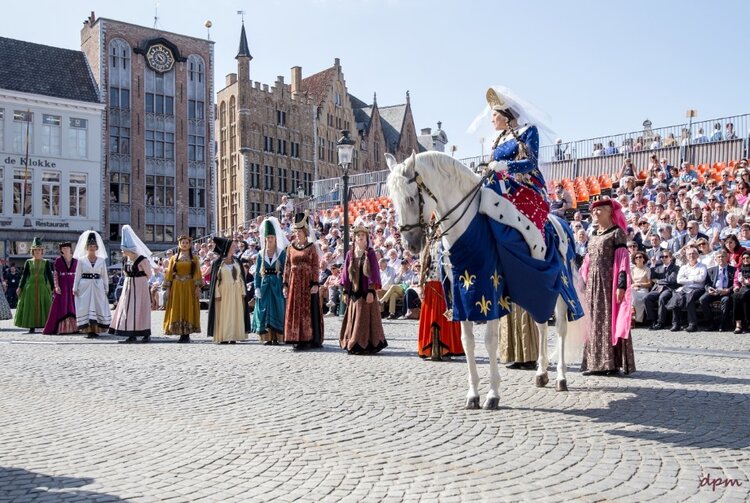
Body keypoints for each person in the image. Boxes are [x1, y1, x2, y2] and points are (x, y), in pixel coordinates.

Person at [476, 87, 581, 326]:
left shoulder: (527, 131)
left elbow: (530, 162)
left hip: (524, 183)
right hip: (499, 182)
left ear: (505, 114)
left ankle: (536, 255)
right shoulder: (498, 139)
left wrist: (506, 167)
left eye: (494, 115)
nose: (491, 120)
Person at [579, 199, 636, 375]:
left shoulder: (617, 233)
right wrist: (581, 281)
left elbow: (622, 260)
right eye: (594, 210)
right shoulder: (594, 233)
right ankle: (594, 362)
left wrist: (621, 285)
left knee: (606, 320)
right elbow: (587, 261)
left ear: (609, 212)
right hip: (592, 285)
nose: (595, 213)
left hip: (608, 284)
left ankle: (609, 363)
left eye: (600, 210)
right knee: (593, 321)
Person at [339, 225, 387, 354]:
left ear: (366, 237)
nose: (360, 237)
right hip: (354, 292)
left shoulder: (370, 253)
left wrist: (371, 291)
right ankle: (353, 343)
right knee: (354, 318)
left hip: (366, 292)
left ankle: (366, 344)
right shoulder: (350, 253)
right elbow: (345, 274)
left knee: (365, 318)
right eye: (358, 235)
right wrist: (345, 291)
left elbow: (374, 272)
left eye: (362, 235)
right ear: (354, 238)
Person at [283, 212, 324, 350]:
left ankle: (307, 338)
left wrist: (315, 283)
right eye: (296, 231)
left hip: (307, 282)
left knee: (307, 310)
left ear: (306, 232)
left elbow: (315, 266)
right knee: (295, 309)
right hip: (294, 282)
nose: (298, 233)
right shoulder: (290, 247)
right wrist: (285, 284)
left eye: (301, 231)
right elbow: (287, 266)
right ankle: (295, 337)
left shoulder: (311, 247)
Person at [109, 226, 153, 343]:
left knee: (141, 308)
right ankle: (130, 332)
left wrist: (140, 281)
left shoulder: (142, 259)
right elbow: (125, 273)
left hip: (139, 286)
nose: (122, 251)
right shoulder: (126, 260)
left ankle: (145, 333)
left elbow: (149, 273)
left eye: (124, 249)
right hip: (129, 287)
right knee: (128, 309)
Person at [207, 237, 251, 344]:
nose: (235, 248)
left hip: (236, 291)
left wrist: (243, 291)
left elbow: (241, 278)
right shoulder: (218, 263)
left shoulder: (237, 261)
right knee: (225, 314)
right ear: (226, 248)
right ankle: (225, 336)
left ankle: (234, 335)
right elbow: (215, 280)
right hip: (224, 291)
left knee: (236, 313)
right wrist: (216, 293)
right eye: (232, 246)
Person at [252, 217, 288, 345]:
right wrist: (256, 288)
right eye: (268, 237)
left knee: (277, 309)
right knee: (264, 310)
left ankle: (277, 337)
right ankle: (267, 337)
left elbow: (285, 271)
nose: (270, 239)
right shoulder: (261, 254)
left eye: (272, 237)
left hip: (277, 285)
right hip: (265, 285)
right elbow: (257, 273)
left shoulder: (281, 253)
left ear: (276, 238)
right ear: (265, 239)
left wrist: (285, 285)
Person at [162, 235, 203, 343]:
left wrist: (197, 287)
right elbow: (170, 273)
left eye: (186, 242)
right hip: (176, 286)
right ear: (179, 244)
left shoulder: (194, 258)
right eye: (183, 242)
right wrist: (168, 288)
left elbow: (197, 273)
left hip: (189, 285)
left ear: (189, 245)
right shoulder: (173, 258)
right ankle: (179, 331)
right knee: (177, 307)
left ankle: (187, 333)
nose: (184, 244)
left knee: (187, 306)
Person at [73, 231, 111, 337]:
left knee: (98, 306)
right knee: (85, 306)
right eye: (90, 246)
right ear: (87, 247)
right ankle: (88, 330)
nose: (92, 248)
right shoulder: (82, 260)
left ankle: (96, 329)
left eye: (94, 246)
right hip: (85, 286)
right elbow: (78, 274)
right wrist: (75, 287)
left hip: (98, 286)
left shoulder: (101, 260)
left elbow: (104, 275)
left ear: (97, 247)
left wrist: (106, 288)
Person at [14, 237, 53, 334]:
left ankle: (44, 325)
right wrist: (20, 287)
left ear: (42, 251)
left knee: (44, 306)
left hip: (42, 287)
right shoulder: (28, 262)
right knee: (31, 306)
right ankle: (31, 326)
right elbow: (24, 275)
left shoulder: (46, 262)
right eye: (35, 250)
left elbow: (49, 275)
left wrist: (53, 287)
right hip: (30, 288)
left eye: (39, 250)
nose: (37, 252)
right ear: (33, 251)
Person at [666, 246, 707, 332]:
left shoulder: (702, 266)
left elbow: (701, 279)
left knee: (689, 298)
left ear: (697, 255)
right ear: (686, 256)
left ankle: (692, 324)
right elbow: (679, 280)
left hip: (698, 289)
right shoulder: (683, 267)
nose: (691, 255)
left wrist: (688, 279)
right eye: (689, 254)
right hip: (685, 288)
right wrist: (693, 279)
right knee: (676, 297)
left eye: (693, 253)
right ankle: (676, 324)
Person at [42, 242, 78, 335]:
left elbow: (78, 275)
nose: (65, 249)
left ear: (70, 249)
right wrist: (56, 286)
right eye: (63, 248)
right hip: (62, 286)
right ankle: (62, 328)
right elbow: (55, 274)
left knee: (73, 305)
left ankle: (75, 327)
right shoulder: (58, 260)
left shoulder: (76, 261)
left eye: (67, 248)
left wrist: (77, 286)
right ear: (61, 250)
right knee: (62, 306)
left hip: (72, 285)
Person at [645, 250, 680, 330]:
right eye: (662, 257)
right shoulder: (658, 268)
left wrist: (658, 281)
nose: (663, 258)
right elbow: (652, 277)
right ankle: (653, 320)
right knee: (647, 298)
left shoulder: (675, 268)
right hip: (658, 289)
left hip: (669, 289)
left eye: (666, 256)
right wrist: (653, 264)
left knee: (662, 298)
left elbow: (671, 279)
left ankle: (661, 322)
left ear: (670, 258)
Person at [699, 250, 734, 331]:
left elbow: (736, 283)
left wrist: (728, 290)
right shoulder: (711, 270)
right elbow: (707, 283)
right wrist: (709, 289)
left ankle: (722, 324)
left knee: (726, 300)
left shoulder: (733, 269)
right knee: (702, 299)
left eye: (723, 256)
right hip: (714, 291)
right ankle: (711, 323)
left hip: (726, 292)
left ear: (727, 258)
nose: (721, 258)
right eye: (719, 257)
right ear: (715, 259)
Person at [631, 251, 652, 324]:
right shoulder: (632, 270)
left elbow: (649, 284)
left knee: (638, 299)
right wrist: (634, 286)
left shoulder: (647, 269)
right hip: (634, 289)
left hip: (643, 290)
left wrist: (639, 284)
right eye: (636, 257)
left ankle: (637, 319)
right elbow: (631, 283)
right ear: (634, 260)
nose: (638, 259)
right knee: (631, 291)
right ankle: (632, 309)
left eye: (640, 257)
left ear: (643, 259)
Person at [732, 251, 750, 333]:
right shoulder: (739, 268)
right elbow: (736, 280)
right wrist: (736, 286)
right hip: (742, 288)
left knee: (745, 296)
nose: (745, 259)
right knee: (736, 296)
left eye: (748, 258)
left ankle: (747, 322)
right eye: (744, 258)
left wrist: (747, 282)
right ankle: (738, 323)